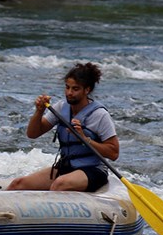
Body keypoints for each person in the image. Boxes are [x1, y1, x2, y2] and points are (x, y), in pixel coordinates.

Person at [7, 62, 119, 192]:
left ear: (87, 90)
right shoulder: (61, 108)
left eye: (75, 89)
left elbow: (114, 153)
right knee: (18, 184)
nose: (69, 93)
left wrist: (84, 139)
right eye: (67, 87)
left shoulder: (100, 115)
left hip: (93, 169)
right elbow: (33, 134)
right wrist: (39, 111)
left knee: (59, 184)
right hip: (66, 167)